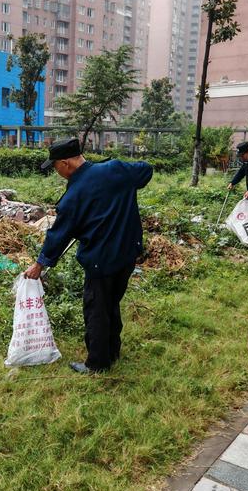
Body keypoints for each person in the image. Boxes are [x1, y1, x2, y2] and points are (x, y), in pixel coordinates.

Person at [24, 138, 153, 374]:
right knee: (111, 303)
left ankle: (97, 363)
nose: (56, 172)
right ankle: (112, 351)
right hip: (127, 254)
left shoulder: (75, 194)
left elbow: (59, 234)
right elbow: (146, 170)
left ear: (65, 164)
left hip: (100, 260)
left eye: (55, 167)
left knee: (96, 309)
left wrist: (39, 264)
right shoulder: (115, 169)